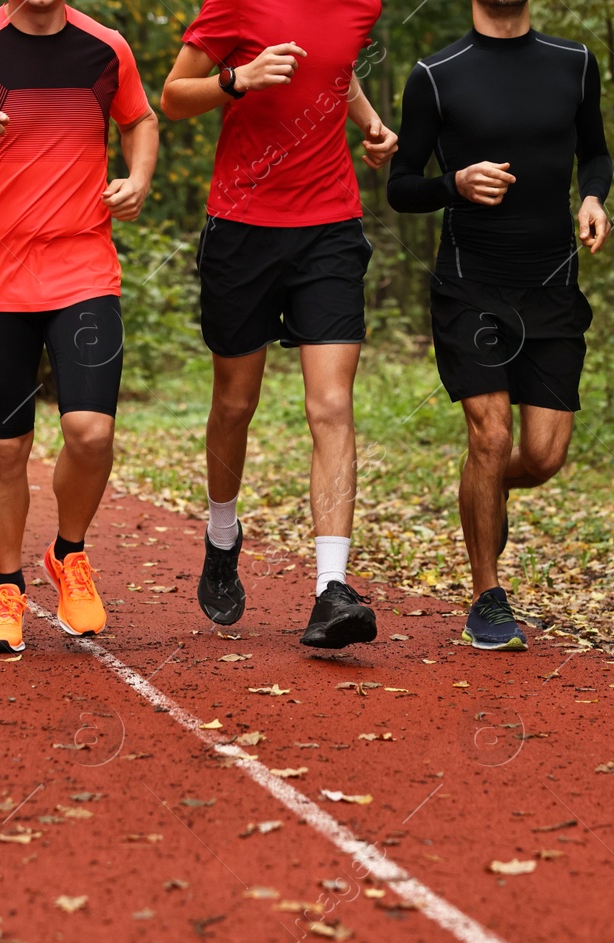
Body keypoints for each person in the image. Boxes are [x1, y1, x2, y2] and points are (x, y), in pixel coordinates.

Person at [0, 0, 157, 652]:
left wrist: (139, 178)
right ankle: (7, 587)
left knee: (91, 431)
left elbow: (141, 119)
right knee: (7, 447)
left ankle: (69, 553)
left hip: (83, 270)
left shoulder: (106, 48)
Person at [161, 0, 397, 649]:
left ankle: (331, 589)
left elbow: (336, 71)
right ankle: (221, 533)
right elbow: (173, 97)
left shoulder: (360, 5)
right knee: (236, 403)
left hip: (330, 226)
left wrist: (372, 124)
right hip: (242, 225)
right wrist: (237, 78)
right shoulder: (234, 5)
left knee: (331, 403)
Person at [387, 0, 612, 651]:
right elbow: (402, 186)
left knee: (542, 455)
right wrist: (453, 183)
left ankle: (485, 495)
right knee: (490, 433)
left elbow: (595, 154)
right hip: (470, 286)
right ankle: (487, 598)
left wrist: (594, 197)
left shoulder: (573, 64)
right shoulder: (437, 74)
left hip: (551, 289)